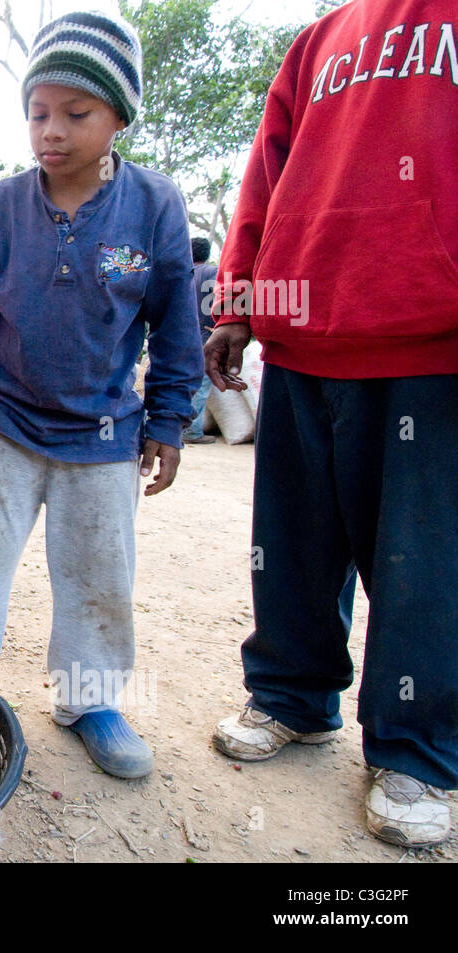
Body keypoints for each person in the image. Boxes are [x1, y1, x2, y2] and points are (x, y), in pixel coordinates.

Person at [208, 0, 458, 847]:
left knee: (424, 560)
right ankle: (290, 694)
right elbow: (266, 174)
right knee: (293, 542)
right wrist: (239, 295)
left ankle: (417, 748)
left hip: (433, 331)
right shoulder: (321, 39)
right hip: (305, 327)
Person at [0, 11, 202, 780]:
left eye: (75, 113)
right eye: (37, 112)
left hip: (104, 438)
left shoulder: (153, 207)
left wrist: (172, 418)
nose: (50, 130)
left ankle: (90, 701)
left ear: (119, 115)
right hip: (2, 424)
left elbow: (177, 320)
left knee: (97, 575)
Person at [181, 236, 218, 445]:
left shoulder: (181, 272)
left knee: (179, 382)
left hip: (180, 338)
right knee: (201, 385)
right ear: (206, 254)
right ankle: (192, 431)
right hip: (204, 336)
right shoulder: (212, 273)